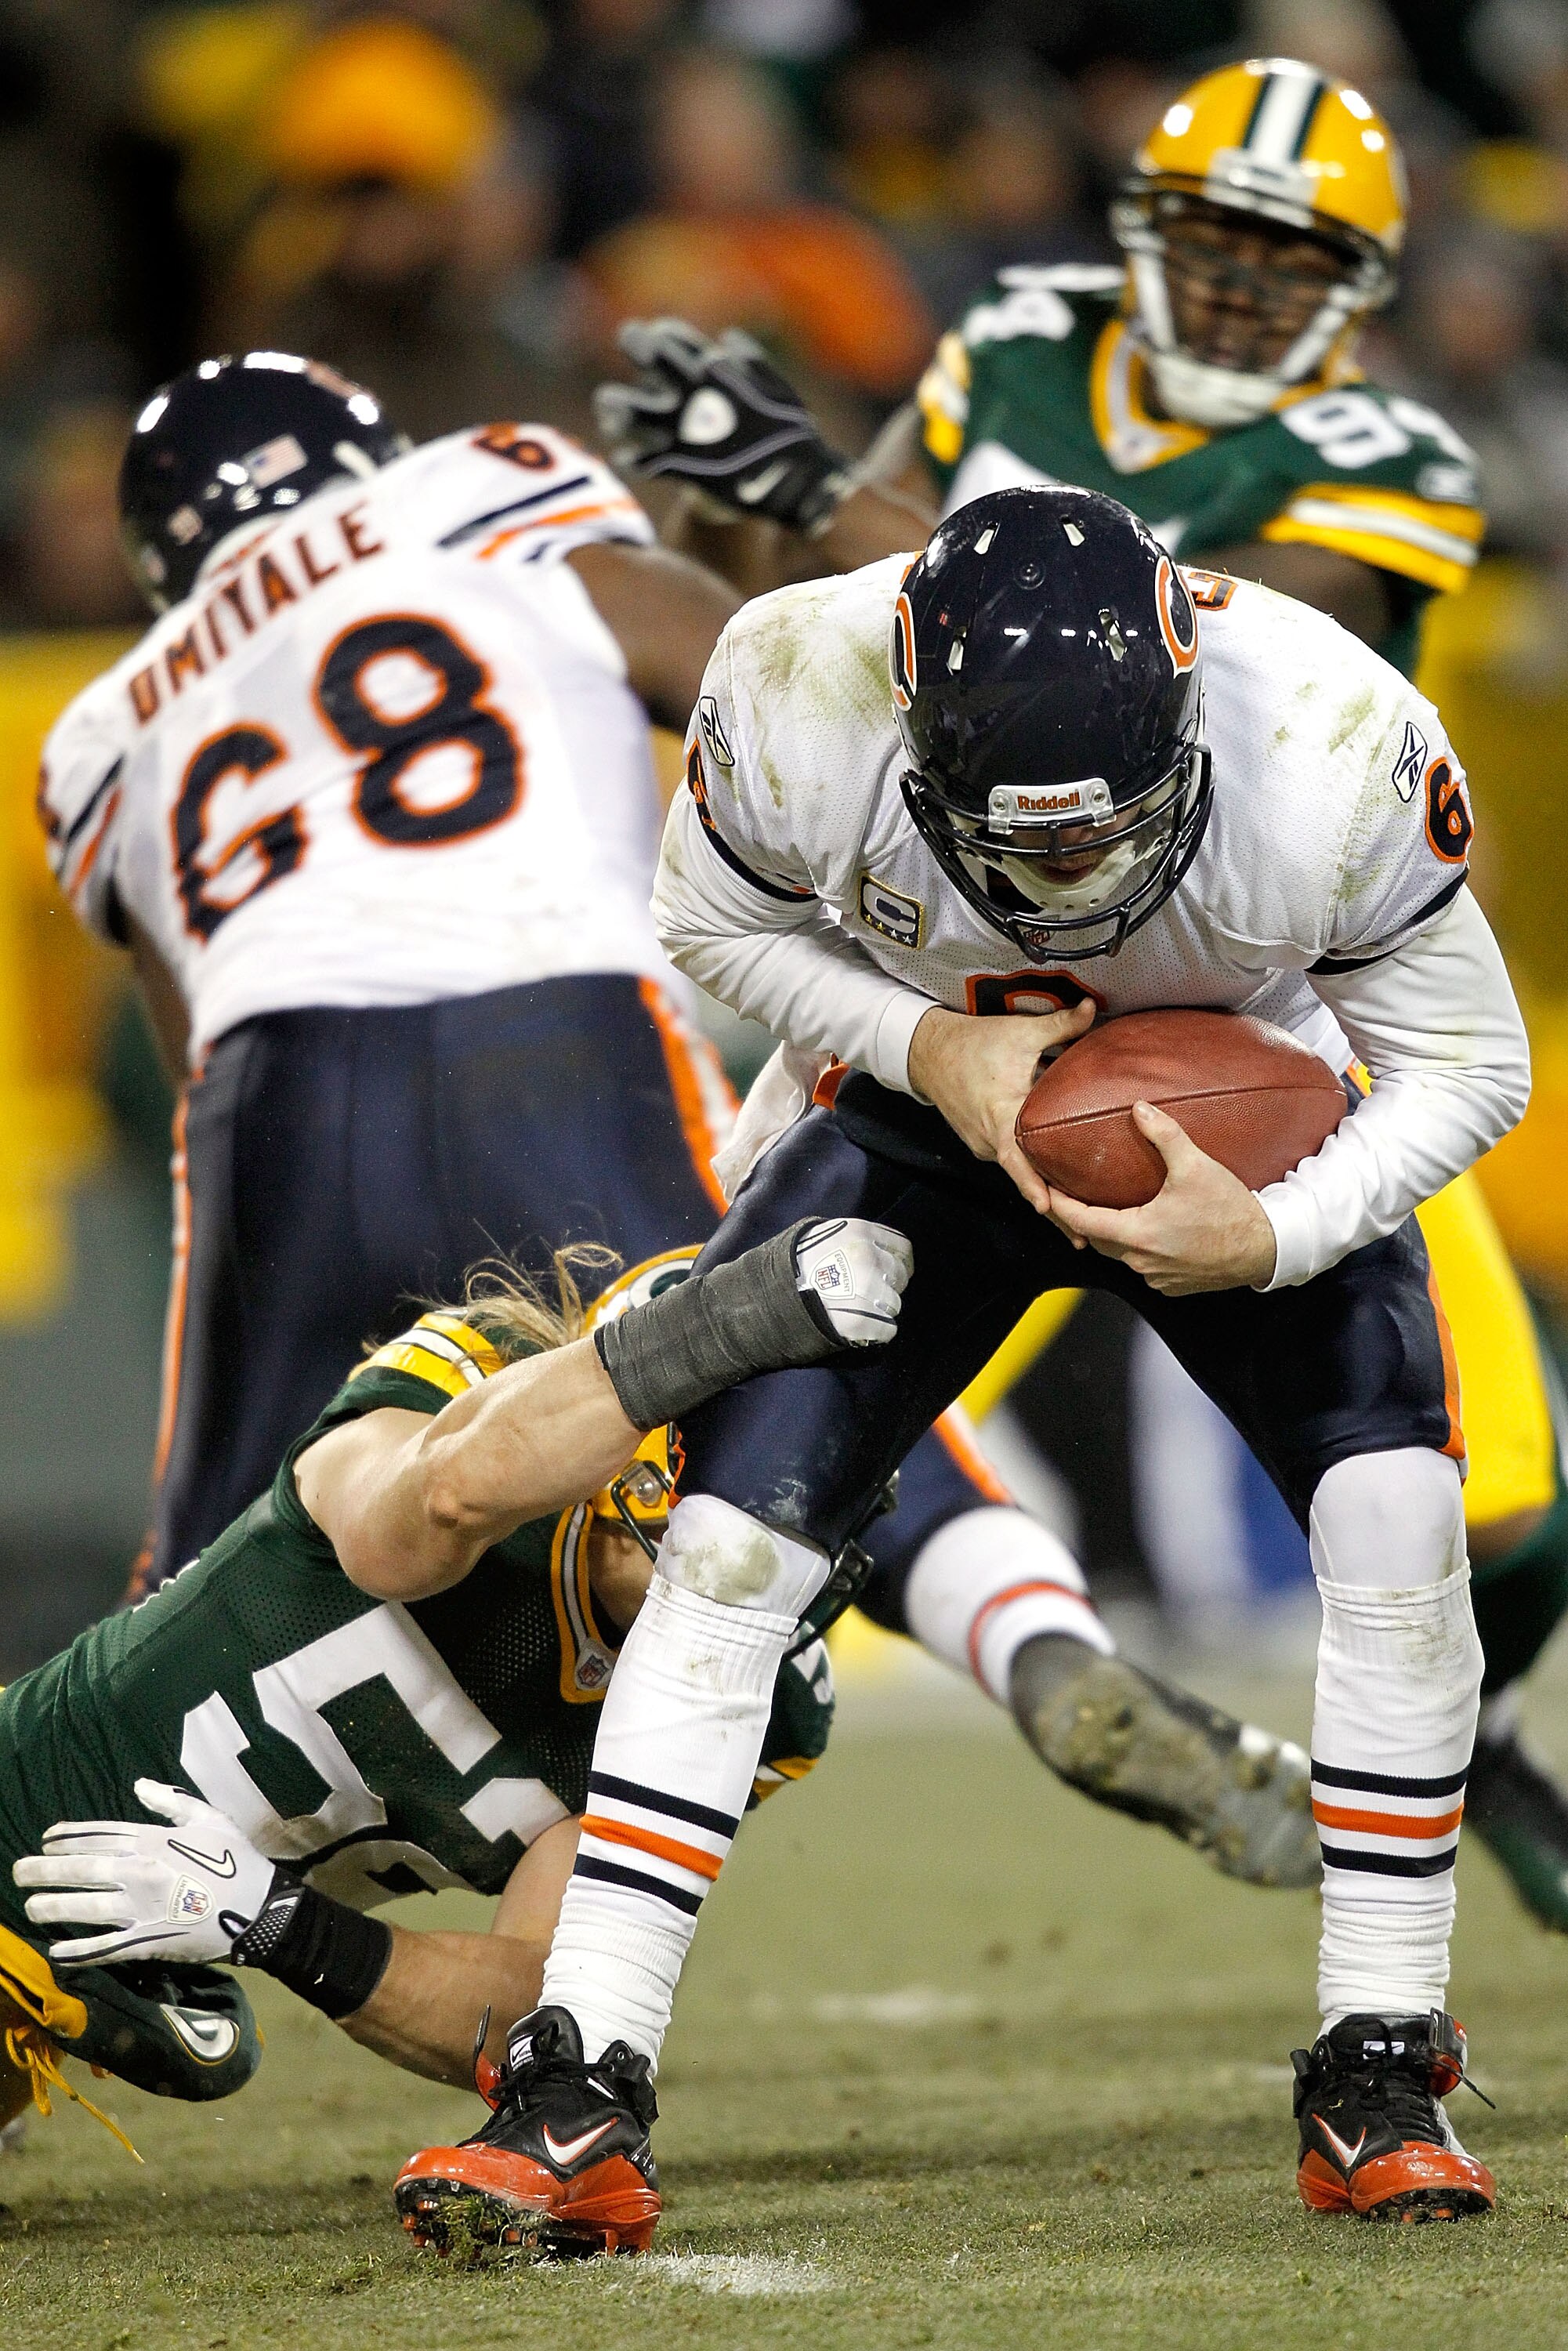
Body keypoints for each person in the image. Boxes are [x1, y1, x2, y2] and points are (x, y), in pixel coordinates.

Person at [395, 487, 1529, 2248]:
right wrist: (929, 1038)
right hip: (929, 1110)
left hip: (1235, 1119)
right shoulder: (794, 682)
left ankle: (1378, 2057)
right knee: (726, 1548)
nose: (1069, 889)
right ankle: (580, 2074)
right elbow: (712, 930)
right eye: (1025, 849)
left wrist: (1277, 1239)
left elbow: (1472, 1062)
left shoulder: (1327, 739)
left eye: (1107, 842)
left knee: (1396, 1514)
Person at [35, 350, 1320, 1894]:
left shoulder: (104, 723)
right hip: (548, 1023)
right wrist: (779, 526)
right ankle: (1041, 1650)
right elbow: (748, 671)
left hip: (271, 1104)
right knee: (804, 1370)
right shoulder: (477, 484)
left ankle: (86, 1914)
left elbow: (188, 1030)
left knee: (195, 1580)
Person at [593, 54, 1568, 1935]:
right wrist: (753, 505)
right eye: (1208, 244)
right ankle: (821, 1719)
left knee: (1500, 1501)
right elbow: (860, 619)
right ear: (1143, 236)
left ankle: (1482, 1724)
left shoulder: (1386, 457)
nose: (1230, 293)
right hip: (949, 1017)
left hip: (1250, 1015)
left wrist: (823, 493)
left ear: (1352, 289)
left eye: (1283, 265)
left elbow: (1166, 656)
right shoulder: (1023, 334)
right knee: (749, 1437)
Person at [2, 1215, 907, 2216]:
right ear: (647, 1462)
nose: (794, 1523)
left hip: (165, 1930)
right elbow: (427, 1514)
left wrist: (277, 1925)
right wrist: (713, 1333)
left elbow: (536, 2001)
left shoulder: (767, 1702)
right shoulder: (487, 1384)